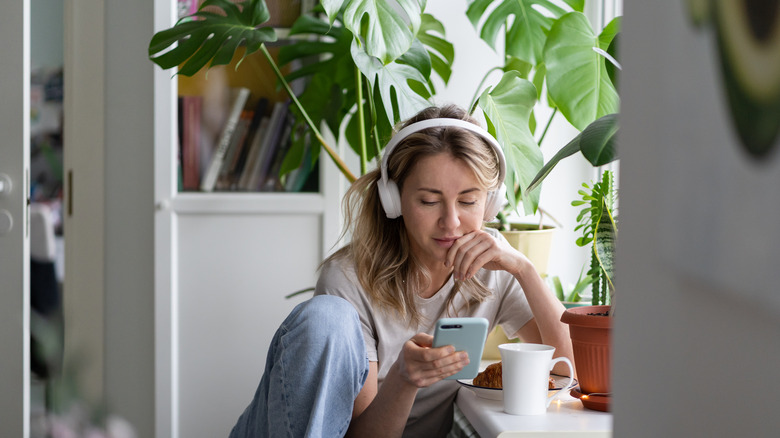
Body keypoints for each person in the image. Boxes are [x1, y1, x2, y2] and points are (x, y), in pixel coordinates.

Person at [229, 104, 573, 438]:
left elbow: (571, 370)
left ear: (491, 203)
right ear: (392, 199)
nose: (451, 222)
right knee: (326, 318)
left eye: (468, 201)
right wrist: (404, 380)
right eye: (428, 200)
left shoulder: (493, 268)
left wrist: (524, 268)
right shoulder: (348, 280)